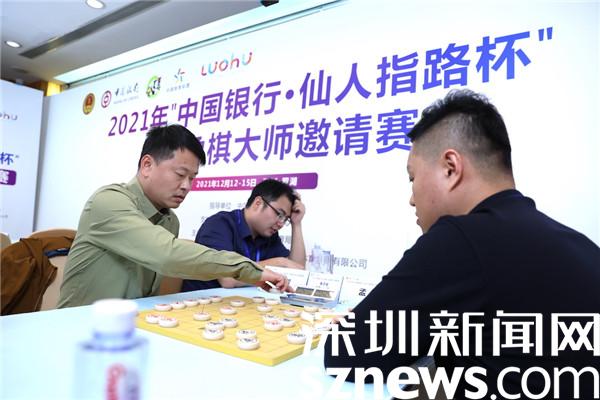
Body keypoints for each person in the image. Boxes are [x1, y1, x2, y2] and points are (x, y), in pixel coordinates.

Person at [323, 90, 600, 399]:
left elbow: (345, 353)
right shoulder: (582, 246)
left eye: (412, 179)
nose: (412, 198)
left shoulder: (461, 238)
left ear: (450, 168)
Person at [58, 125, 289, 308]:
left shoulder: (170, 221)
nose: (187, 186)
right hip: (80, 326)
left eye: (192, 178)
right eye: (180, 174)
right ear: (147, 165)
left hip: (132, 326)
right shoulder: (109, 201)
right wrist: (249, 270)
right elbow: (167, 254)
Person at [182, 179, 306, 291]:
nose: (281, 223)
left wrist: (296, 224)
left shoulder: (269, 235)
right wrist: (279, 263)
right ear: (258, 203)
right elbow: (228, 279)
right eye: (279, 214)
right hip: (202, 303)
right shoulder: (219, 224)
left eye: (285, 219)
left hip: (246, 304)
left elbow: (297, 270)